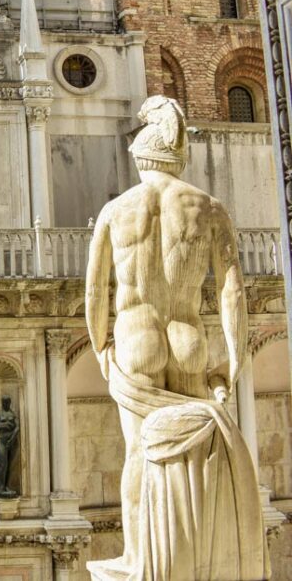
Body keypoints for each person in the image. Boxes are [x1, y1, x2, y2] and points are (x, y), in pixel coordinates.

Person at [85, 95, 266, 579]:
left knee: (138, 457)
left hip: (134, 342)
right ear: (179, 159)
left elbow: (94, 291)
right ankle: (194, 560)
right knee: (195, 455)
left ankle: (139, 557)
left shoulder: (116, 210)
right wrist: (233, 358)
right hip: (189, 341)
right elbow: (232, 290)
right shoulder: (209, 208)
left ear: (141, 160)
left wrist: (101, 346)